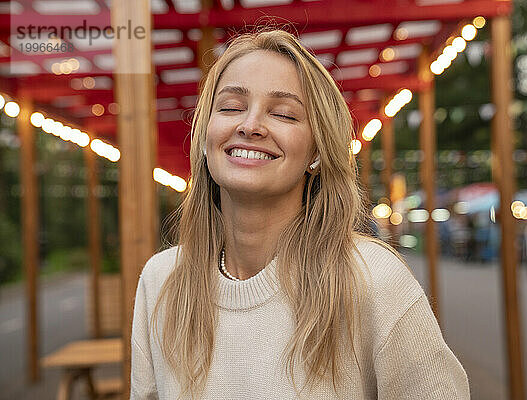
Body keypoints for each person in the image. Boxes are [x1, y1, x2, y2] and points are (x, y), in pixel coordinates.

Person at [131, 29, 470, 399]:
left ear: (316, 152)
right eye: (230, 107)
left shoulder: (373, 281)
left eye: (283, 114)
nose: (250, 125)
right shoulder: (160, 281)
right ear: (205, 136)